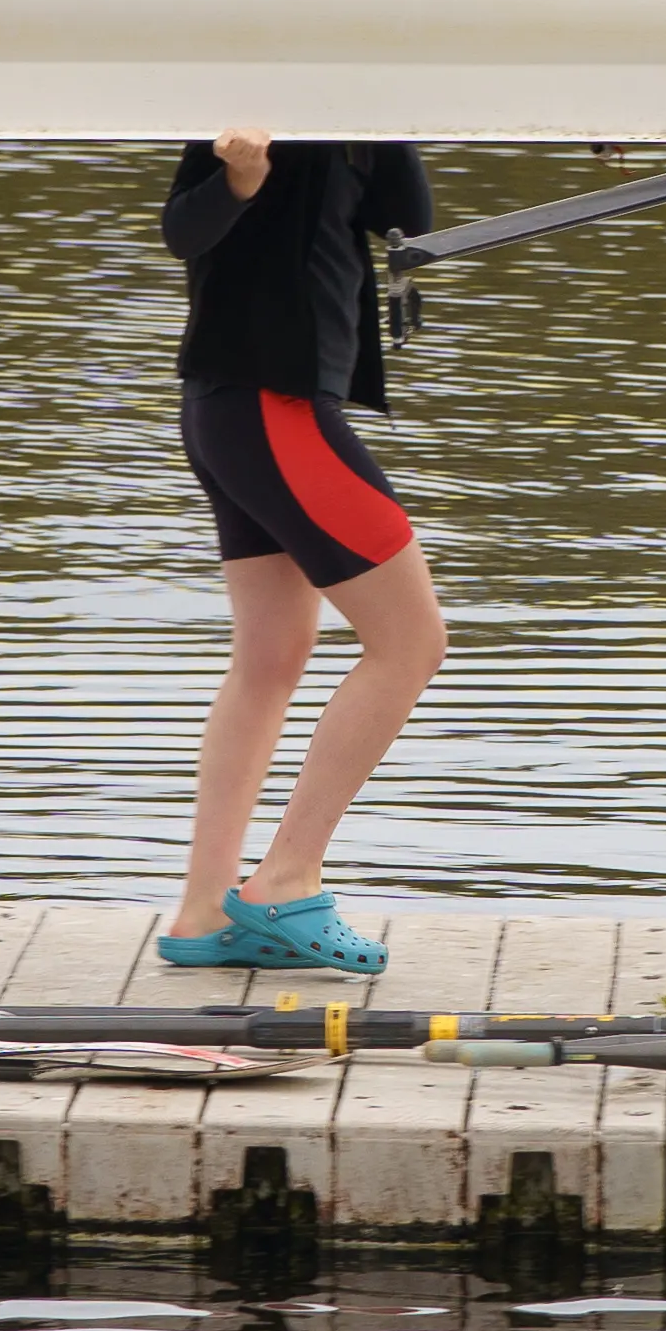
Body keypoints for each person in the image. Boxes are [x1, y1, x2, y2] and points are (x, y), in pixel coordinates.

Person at [158, 130, 444, 977]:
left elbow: (410, 219)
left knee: (271, 659)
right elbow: (180, 229)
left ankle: (205, 911)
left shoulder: (352, 122)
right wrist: (240, 179)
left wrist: (384, 120)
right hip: (267, 404)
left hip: (234, 410)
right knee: (410, 643)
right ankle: (286, 878)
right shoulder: (244, 113)